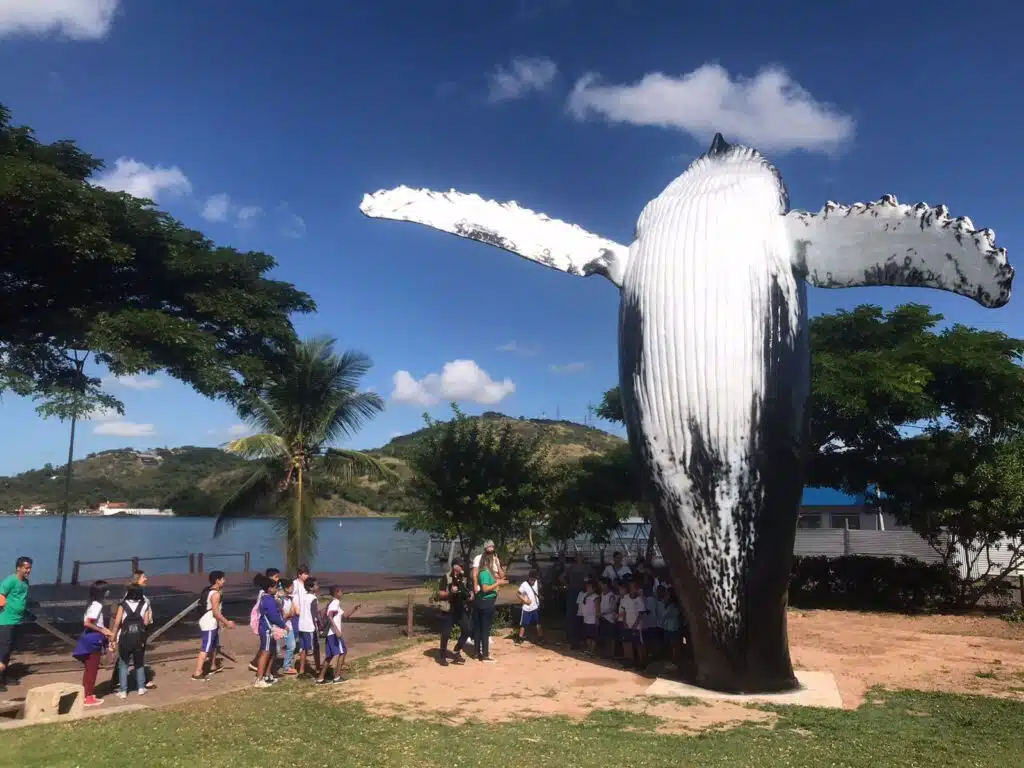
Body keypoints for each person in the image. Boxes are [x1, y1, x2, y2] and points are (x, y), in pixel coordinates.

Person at [72, 580, 114, 706]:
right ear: (102, 592)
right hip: (93, 640)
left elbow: (95, 623)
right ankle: (88, 696)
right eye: (106, 590)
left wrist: (107, 631)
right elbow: (88, 623)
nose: (108, 592)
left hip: (91, 637)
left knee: (89, 668)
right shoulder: (97, 606)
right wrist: (102, 631)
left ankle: (86, 693)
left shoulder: (92, 604)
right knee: (92, 669)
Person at [193, 570, 235, 681]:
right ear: (217, 580)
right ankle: (197, 672)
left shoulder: (209, 591)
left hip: (211, 622)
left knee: (214, 644)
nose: (224, 581)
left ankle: (212, 666)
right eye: (223, 579)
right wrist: (227, 622)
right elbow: (216, 612)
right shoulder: (215, 594)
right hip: (209, 623)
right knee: (206, 647)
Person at [111, 584, 151, 697]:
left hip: (125, 638)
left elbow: (117, 623)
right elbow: (146, 622)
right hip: (139, 638)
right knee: (139, 663)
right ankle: (141, 688)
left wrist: (112, 637)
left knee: (123, 664)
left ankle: (123, 690)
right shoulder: (145, 604)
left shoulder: (123, 605)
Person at [316, 586, 360, 685]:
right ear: (336, 593)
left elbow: (345, 616)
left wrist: (354, 609)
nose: (342, 593)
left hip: (330, 634)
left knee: (329, 655)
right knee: (343, 651)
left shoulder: (334, 603)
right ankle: (337, 677)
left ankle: (320, 678)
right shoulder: (335, 602)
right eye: (341, 592)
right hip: (334, 634)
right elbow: (330, 615)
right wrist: (336, 630)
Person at [0, 556, 32, 693]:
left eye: (30, 568)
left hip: (17, 620)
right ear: (18, 567)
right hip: (5, 620)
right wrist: (3, 602)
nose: (28, 570)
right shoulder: (10, 580)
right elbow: (1, 594)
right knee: (3, 650)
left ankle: (4, 676)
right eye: (26, 568)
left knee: (9, 650)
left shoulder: (25, 583)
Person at [437, 560, 471, 666]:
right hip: (449, 609)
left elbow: (468, 591)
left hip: (460, 609)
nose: (462, 567)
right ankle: (442, 656)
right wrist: (450, 592)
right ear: (454, 566)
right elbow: (440, 594)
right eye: (461, 565)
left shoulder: (464, 578)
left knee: (467, 629)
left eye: (463, 565)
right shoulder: (446, 577)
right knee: (446, 633)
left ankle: (457, 650)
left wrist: (470, 595)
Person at [254, 576, 287, 688]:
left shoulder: (267, 598)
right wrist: (284, 626)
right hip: (267, 629)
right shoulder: (268, 600)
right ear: (269, 589)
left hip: (270, 629)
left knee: (272, 651)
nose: (277, 589)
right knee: (265, 652)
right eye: (275, 587)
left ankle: (268, 675)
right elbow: (273, 617)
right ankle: (259, 678)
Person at [474, 551, 506, 663]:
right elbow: (485, 588)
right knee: (485, 629)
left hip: (482, 601)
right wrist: (497, 584)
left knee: (479, 628)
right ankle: (485, 655)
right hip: (486, 602)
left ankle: (476, 652)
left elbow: (501, 576)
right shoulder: (485, 573)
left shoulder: (485, 572)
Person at [248, 568, 281, 673]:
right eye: (276, 577)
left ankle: (268, 671)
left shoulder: (269, 594)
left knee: (270, 648)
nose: (278, 579)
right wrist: (283, 625)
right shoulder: (265, 595)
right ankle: (261, 673)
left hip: (269, 625)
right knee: (266, 649)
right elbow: (266, 610)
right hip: (267, 625)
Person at [560, 552, 590, 649]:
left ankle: (583, 638)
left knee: (583, 614)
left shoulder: (587, 567)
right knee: (572, 615)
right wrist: (567, 585)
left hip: (584, 592)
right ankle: (571, 638)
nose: (579, 558)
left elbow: (594, 579)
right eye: (578, 557)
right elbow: (561, 577)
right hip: (573, 592)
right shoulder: (571, 567)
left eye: (581, 556)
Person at [618, 579, 648, 669]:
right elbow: (623, 611)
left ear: (636, 588)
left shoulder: (639, 599)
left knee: (639, 644)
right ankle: (629, 662)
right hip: (627, 623)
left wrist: (636, 624)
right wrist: (624, 622)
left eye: (634, 587)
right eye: (630, 587)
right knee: (628, 643)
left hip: (637, 626)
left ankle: (641, 662)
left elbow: (641, 613)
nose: (632, 589)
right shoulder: (625, 598)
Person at [296, 577, 319, 677]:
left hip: (301, 626)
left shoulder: (304, 597)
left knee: (303, 649)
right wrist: (318, 627)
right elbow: (314, 614)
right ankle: (318, 671)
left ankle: (301, 671)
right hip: (310, 627)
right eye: (316, 585)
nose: (318, 586)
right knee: (314, 649)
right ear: (311, 587)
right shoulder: (313, 598)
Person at [515, 569, 543, 645]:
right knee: (524, 623)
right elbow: (518, 593)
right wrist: (525, 600)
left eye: (534, 580)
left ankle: (541, 637)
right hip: (526, 608)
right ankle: (520, 638)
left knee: (538, 623)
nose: (533, 581)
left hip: (535, 607)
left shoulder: (537, 583)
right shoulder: (524, 584)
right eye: (532, 580)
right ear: (529, 578)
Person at [278, 578, 298, 676]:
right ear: (286, 588)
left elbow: (293, 613)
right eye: (291, 587)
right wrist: (289, 614)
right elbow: (282, 616)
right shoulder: (280, 600)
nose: (293, 589)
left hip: (289, 626)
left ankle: (287, 666)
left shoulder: (290, 599)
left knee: (292, 646)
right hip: (281, 627)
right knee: (275, 649)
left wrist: (290, 614)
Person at [598, 577, 619, 656]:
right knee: (605, 637)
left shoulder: (611, 595)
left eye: (601, 585)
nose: (600, 586)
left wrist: (602, 613)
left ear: (606, 585)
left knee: (611, 638)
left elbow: (612, 608)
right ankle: (606, 653)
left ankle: (611, 653)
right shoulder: (602, 594)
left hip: (610, 619)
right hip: (603, 618)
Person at [580, 578, 600, 656]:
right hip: (586, 619)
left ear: (594, 588)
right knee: (587, 636)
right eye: (587, 586)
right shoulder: (585, 596)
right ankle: (588, 649)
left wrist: (597, 619)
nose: (588, 588)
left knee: (593, 637)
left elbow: (597, 609)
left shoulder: (595, 597)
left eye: (589, 587)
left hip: (593, 620)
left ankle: (592, 651)